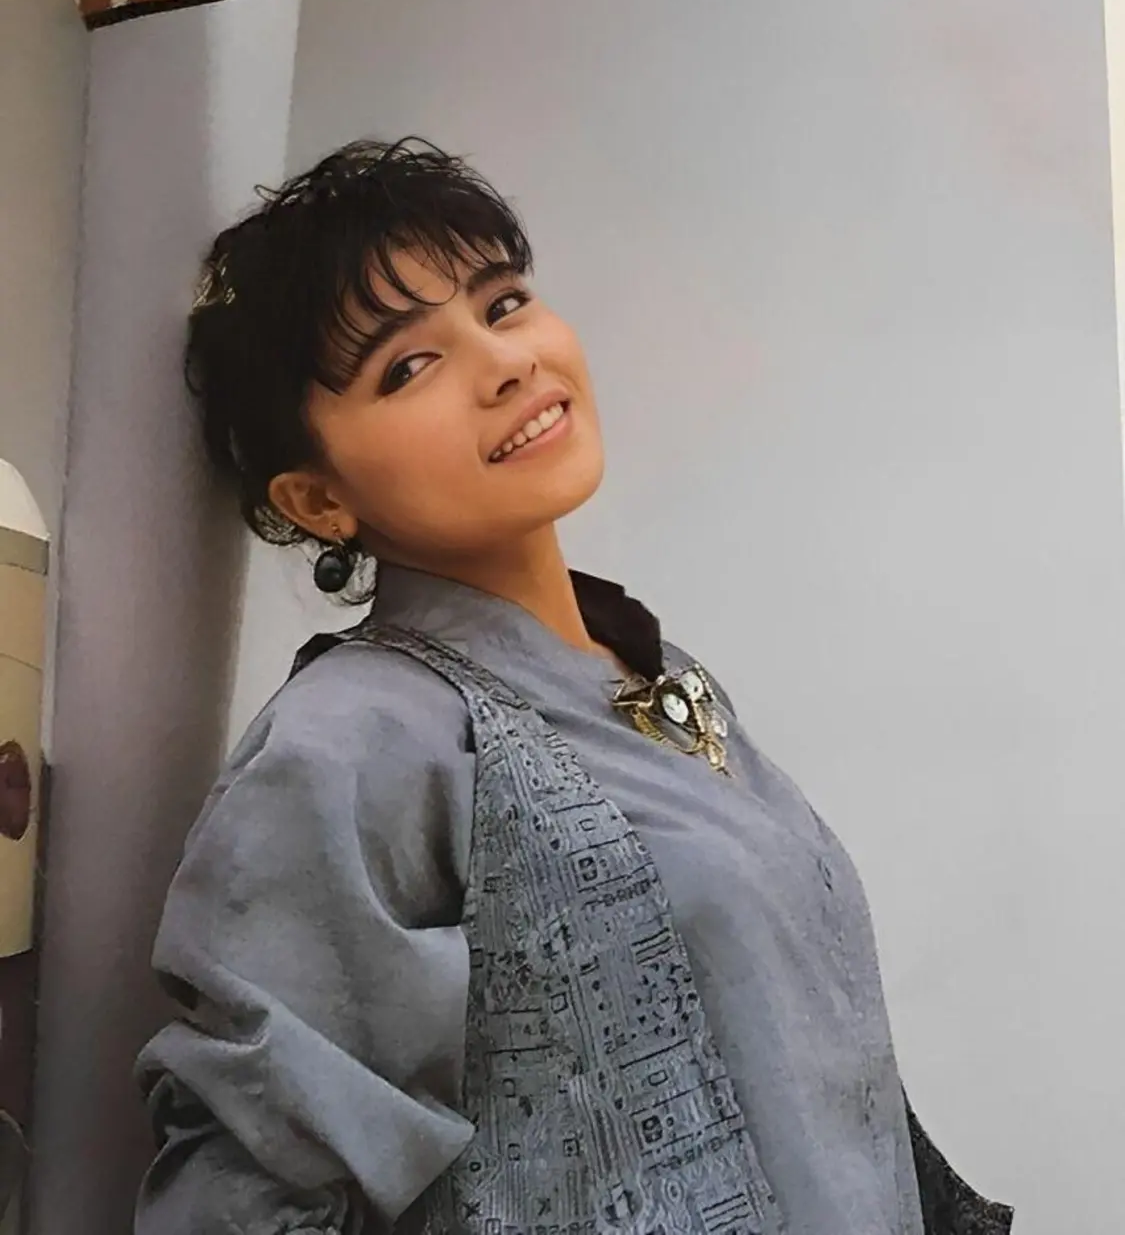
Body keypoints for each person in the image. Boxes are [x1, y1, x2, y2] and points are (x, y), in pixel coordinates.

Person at [134, 138, 1013, 1235]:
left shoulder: (656, 671)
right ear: (318, 499)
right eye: (408, 367)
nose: (505, 363)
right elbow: (239, 1196)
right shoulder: (359, 739)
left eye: (502, 304)